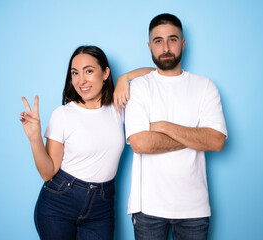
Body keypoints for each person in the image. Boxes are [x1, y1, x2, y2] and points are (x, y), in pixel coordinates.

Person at [19, 45, 152, 240]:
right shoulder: (63, 114)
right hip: (58, 205)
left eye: (89, 71)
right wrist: (34, 138)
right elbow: (48, 172)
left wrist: (125, 78)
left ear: (105, 73)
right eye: (75, 73)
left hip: (101, 207)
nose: (81, 80)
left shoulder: (119, 105)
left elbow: (156, 74)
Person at [124, 14, 228, 240]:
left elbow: (217, 141)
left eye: (172, 39)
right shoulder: (140, 86)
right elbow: (140, 143)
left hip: (194, 208)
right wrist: (195, 135)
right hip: (148, 208)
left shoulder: (205, 86)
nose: (166, 47)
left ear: (182, 43)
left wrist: (162, 126)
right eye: (158, 41)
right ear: (150, 46)